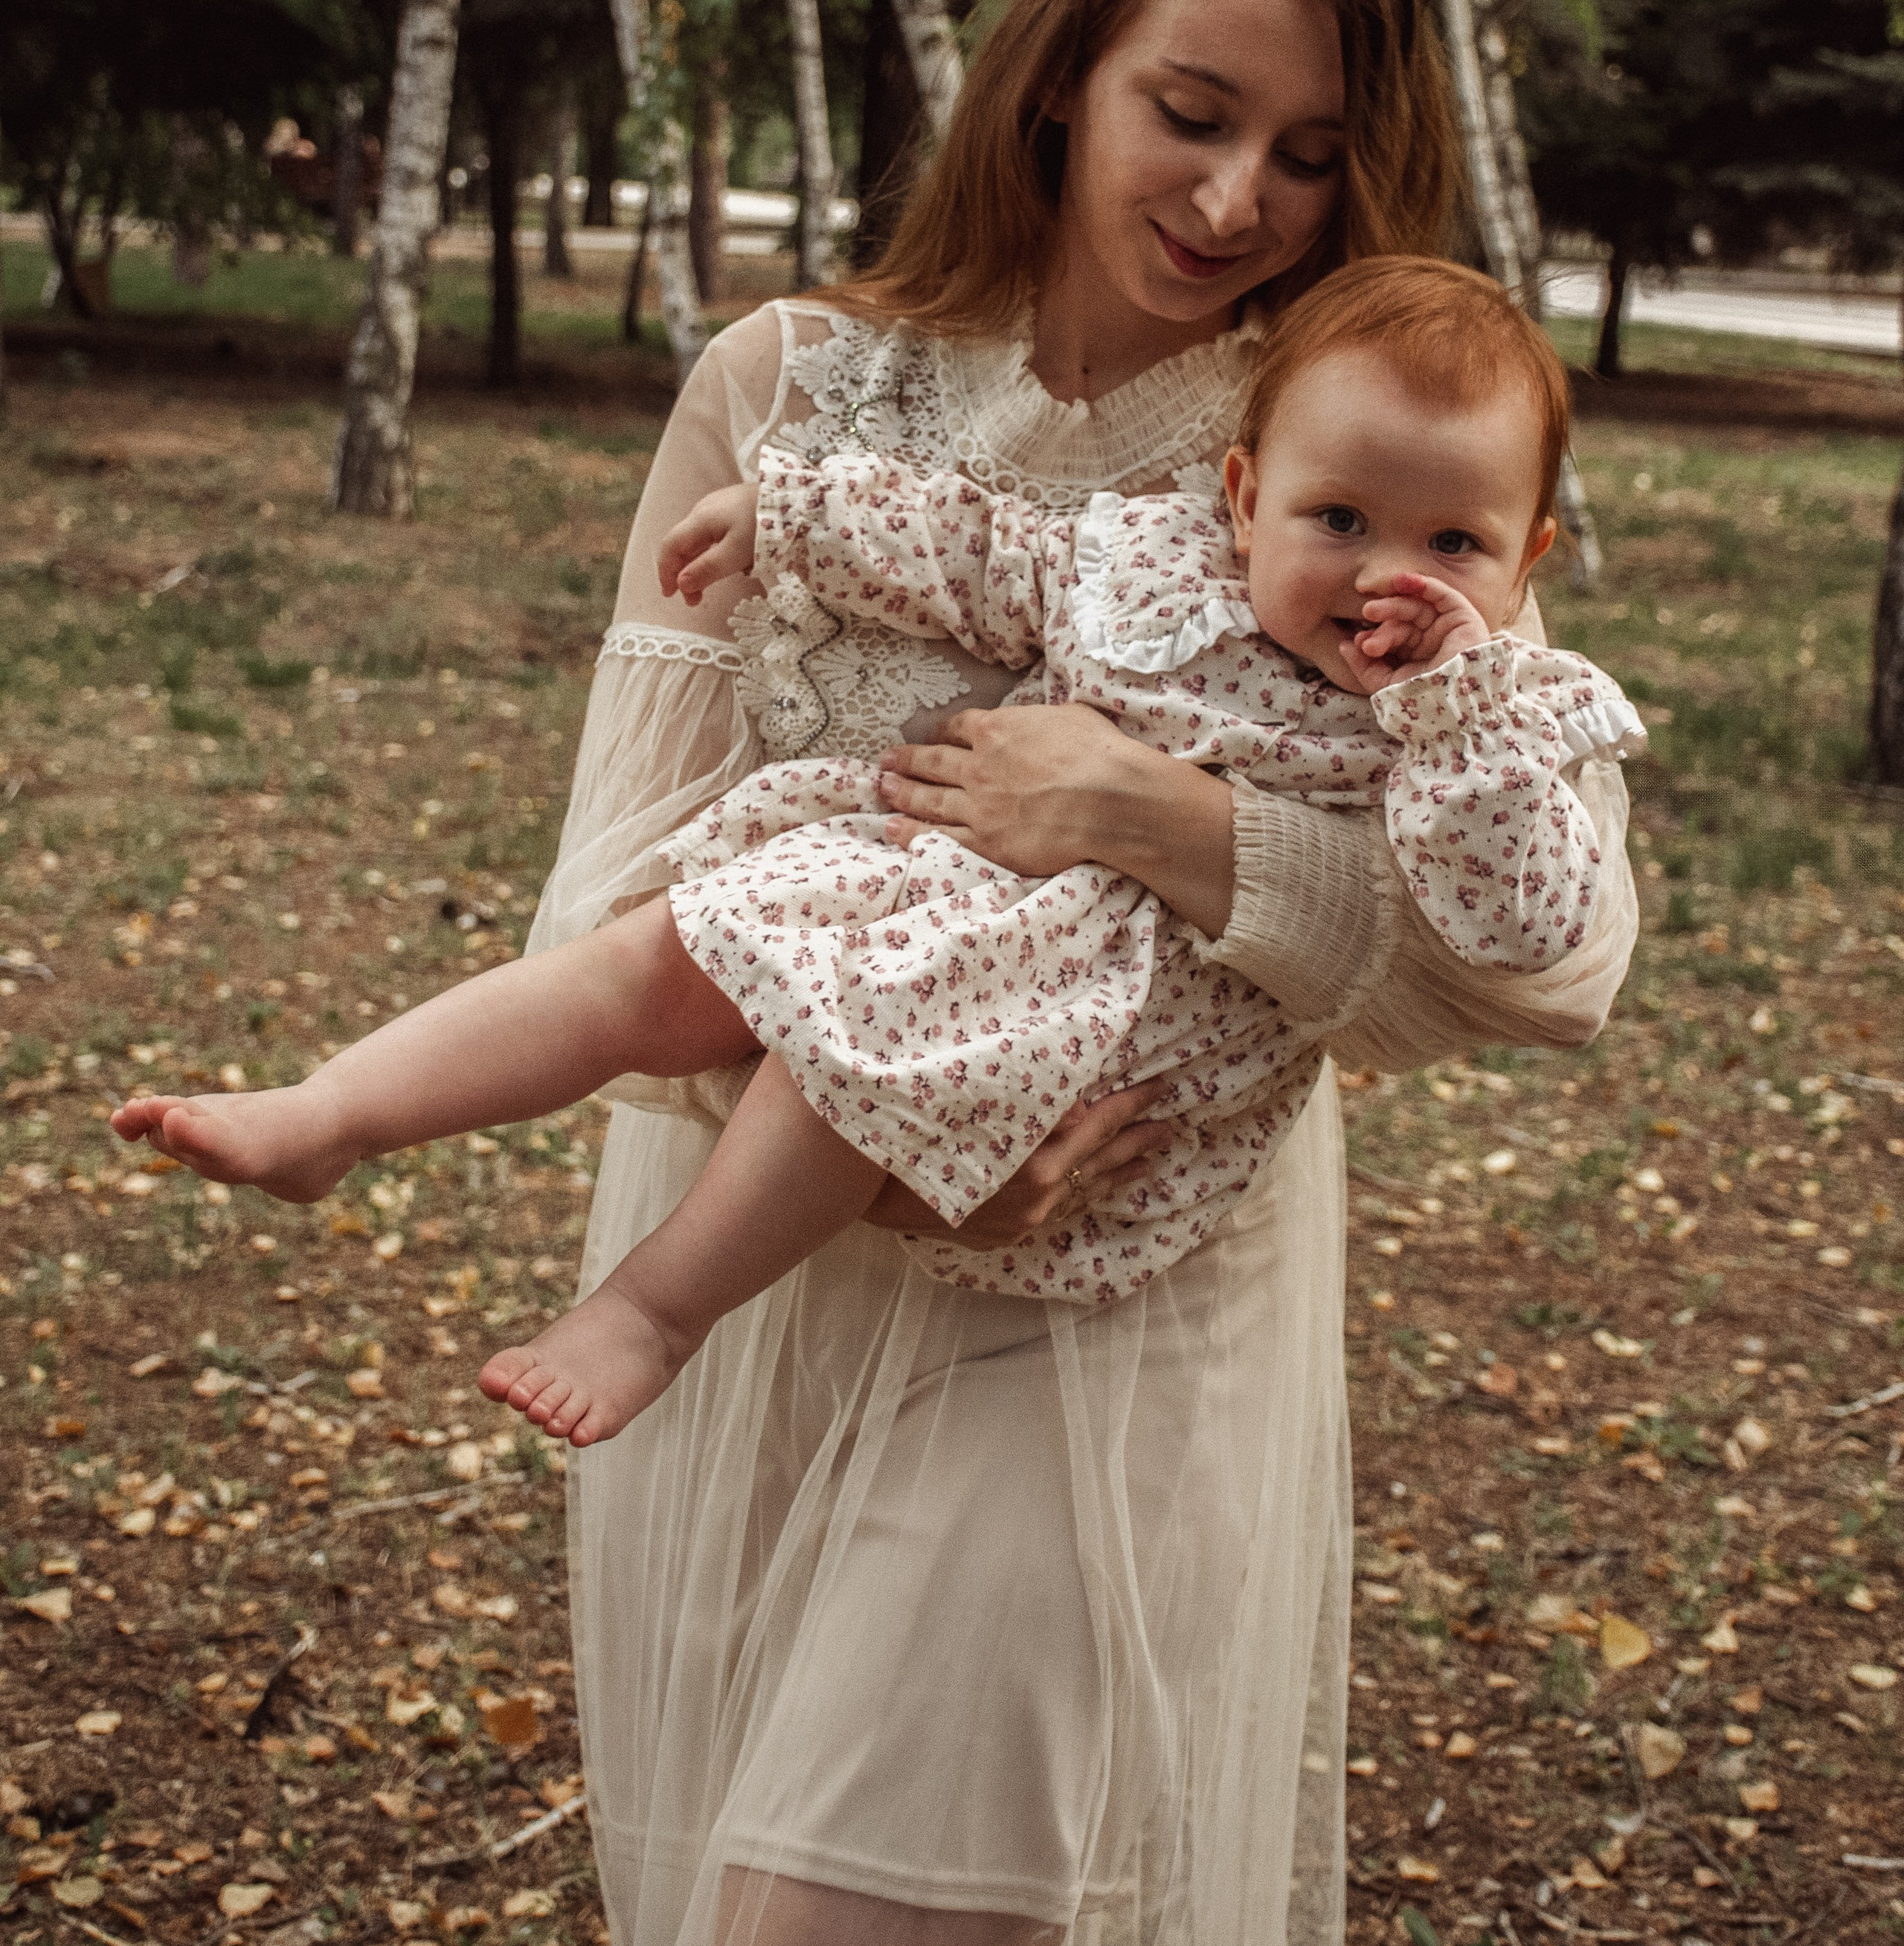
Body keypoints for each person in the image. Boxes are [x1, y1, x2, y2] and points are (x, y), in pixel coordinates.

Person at [215, 0, 1651, 1946]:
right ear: (1064, 71)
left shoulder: (1375, 450)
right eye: (1194, 110)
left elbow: (1546, 968)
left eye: (1313, 152)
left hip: (1120, 1306)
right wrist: (893, 1117)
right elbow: (627, 887)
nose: (1241, 197)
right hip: (781, 1250)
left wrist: (1159, 822)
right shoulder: (788, 385)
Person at [111, 260, 1644, 1468]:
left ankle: (654, 1309)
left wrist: (1455, 708)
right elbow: (976, 550)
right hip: (925, 867)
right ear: (1242, 496)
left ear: (1525, 561)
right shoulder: (1153, 555)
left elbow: (1517, 926)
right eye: (1336, 516)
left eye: (1451, 545)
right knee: (659, 957)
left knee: (852, 1058)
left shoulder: (1491, 717)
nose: (1386, 573)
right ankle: (331, 1113)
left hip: (1095, 1002)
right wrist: (789, 517)